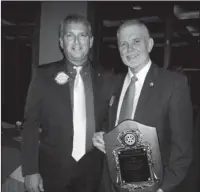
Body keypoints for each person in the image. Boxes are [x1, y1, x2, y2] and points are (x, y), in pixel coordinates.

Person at [93, 20, 193, 192]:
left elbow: (182, 148)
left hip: (153, 186)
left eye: (136, 41)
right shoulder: (112, 83)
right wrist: (101, 136)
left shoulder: (173, 84)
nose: (129, 49)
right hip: (110, 184)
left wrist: (162, 188)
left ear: (150, 44)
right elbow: (108, 124)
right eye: (123, 44)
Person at [21, 14, 114, 192]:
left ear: (91, 41)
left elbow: (111, 120)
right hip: (52, 171)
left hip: (93, 171)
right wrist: (30, 170)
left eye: (83, 35)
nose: (77, 41)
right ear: (61, 42)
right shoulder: (43, 76)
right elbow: (30, 124)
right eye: (70, 35)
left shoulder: (108, 77)